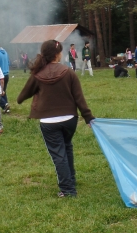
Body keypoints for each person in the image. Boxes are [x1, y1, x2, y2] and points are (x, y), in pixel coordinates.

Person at [17, 40, 95, 198]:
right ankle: (70, 179)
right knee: (67, 147)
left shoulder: (37, 74)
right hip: (69, 119)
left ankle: (67, 190)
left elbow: (23, 95)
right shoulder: (68, 72)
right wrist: (88, 117)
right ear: (58, 54)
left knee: (59, 154)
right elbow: (79, 98)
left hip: (48, 122)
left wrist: (20, 100)